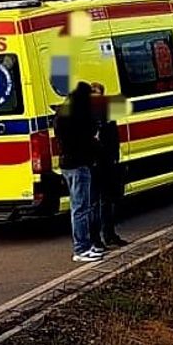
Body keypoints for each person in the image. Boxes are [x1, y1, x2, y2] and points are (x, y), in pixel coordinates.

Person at [55, 81, 102, 263]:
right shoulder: (79, 115)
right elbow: (87, 138)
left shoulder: (62, 112)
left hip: (67, 163)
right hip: (79, 164)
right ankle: (82, 248)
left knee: (79, 206)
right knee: (81, 207)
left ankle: (85, 246)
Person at [89, 82, 127, 248]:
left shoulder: (107, 115)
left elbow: (114, 138)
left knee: (109, 201)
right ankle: (96, 239)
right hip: (94, 164)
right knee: (95, 204)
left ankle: (109, 234)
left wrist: (115, 158)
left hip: (108, 163)